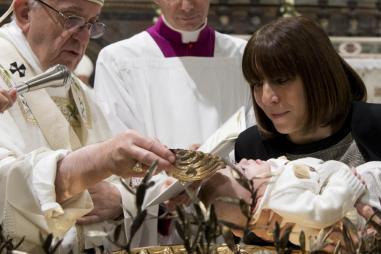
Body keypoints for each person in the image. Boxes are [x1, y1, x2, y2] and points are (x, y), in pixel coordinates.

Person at [0, 0, 175, 252]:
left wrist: (121, 201)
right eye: (71, 18)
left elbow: (114, 184)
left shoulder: (79, 91)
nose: (82, 37)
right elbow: (5, 184)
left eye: (91, 25)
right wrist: (92, 165)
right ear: (25, 13)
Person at [93, 0, 254, 247]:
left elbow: (254, 143)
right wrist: (170, 185)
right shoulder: (119, 59)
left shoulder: (243, 57)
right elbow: (118, 149)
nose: (187, 6)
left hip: (227, 215)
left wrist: (213, 179)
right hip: (153, 221)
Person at [235, 16, 381, 166]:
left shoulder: (376, 124)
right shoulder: (251, 148)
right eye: (256, 83)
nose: (266, 99)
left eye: (281, 80)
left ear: (320, 76)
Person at [199, 157, 381, 250]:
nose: (245, 160)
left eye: (237, 163)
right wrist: (346, 182)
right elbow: (321, 212)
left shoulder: (273, 184)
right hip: (364, 198)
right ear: (256, 204)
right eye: (244, 170)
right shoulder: (279, 197)